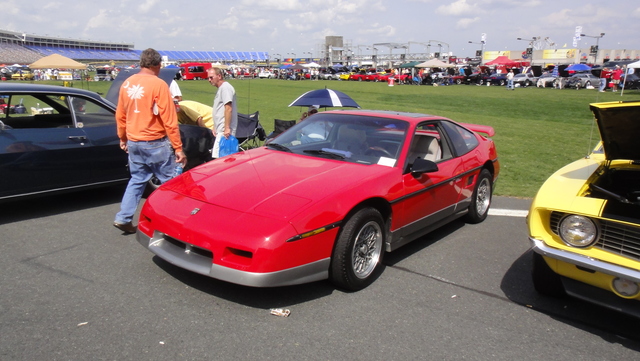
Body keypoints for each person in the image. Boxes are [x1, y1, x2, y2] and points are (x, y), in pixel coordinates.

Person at [113, 48, 186, 234]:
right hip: (154, 141)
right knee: (170, 183)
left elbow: (120, 115)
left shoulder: (127, 83)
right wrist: (178, 147)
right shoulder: (159, 84)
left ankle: (123, 217)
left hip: (134, 140)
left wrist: (122, 137)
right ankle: (172, 223)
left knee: (137, 179)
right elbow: (169, 119)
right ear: (157, 65)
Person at [207, 66, 238, 158]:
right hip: (221, 128)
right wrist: (215, 126)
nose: (209, 80)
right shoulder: (221, 88)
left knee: (223, 159)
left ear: (219, 76)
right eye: (208, 78)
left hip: (225, 131)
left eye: (211, 77)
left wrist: (227, 128)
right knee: (220, 158)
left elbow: (228, 108)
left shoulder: (225, 88)